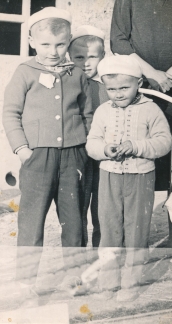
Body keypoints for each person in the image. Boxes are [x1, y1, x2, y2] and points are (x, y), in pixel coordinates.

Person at [2, 7, 93, 303]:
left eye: (60, 44)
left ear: (68, 43)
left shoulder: (77, 74)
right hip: (37, 158)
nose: (53, 51)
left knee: (75, 219)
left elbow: (87, 113)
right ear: (31, 41)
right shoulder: (24, 72)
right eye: (45, 44)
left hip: (73, 158)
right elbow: (10, 113)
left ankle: (74, 276)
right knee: (31, 222)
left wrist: (86, 148)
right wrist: (23, 149)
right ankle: (25, 281)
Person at [86, 55, 172, 301]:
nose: (118, 94)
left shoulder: (150, 109)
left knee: (136, 231)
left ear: (139, 82)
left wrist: (135, 146)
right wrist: (105, 150)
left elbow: (164, 142)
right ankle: (108, 282)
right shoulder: (103, 112)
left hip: (140, 178)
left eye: (124, 87)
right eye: (111, 89)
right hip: (109, 178)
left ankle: (131, 283)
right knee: (109, 229)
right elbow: (92, 143)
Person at [110, 0, 172, 244]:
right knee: (142, 163)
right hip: (144, 88)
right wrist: (151, 73)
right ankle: (135, 241)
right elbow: (119, 40)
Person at [69, 25, 108, 247]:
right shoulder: (68, 84)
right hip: (79, 153)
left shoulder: (109, 85)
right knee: (78, 205)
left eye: (93, 56)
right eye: (79, 57)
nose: (86, 62)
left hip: (103, 153)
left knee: (103, 204)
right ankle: (80, 253)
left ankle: (101, 250)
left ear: (103, 56)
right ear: (69, 56)